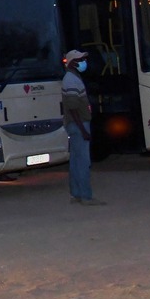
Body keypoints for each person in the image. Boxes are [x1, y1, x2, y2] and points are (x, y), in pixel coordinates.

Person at [60, 49, 102, 204]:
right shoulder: (71, 80)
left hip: (75, 124)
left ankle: (76, 193)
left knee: (76, 161)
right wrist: (83, 130)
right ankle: (86, 196)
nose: (84, 63)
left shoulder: (72, 78)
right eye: (80, 60)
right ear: (72, 63)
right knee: (83, 162)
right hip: (78, 124)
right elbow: (73, 108)